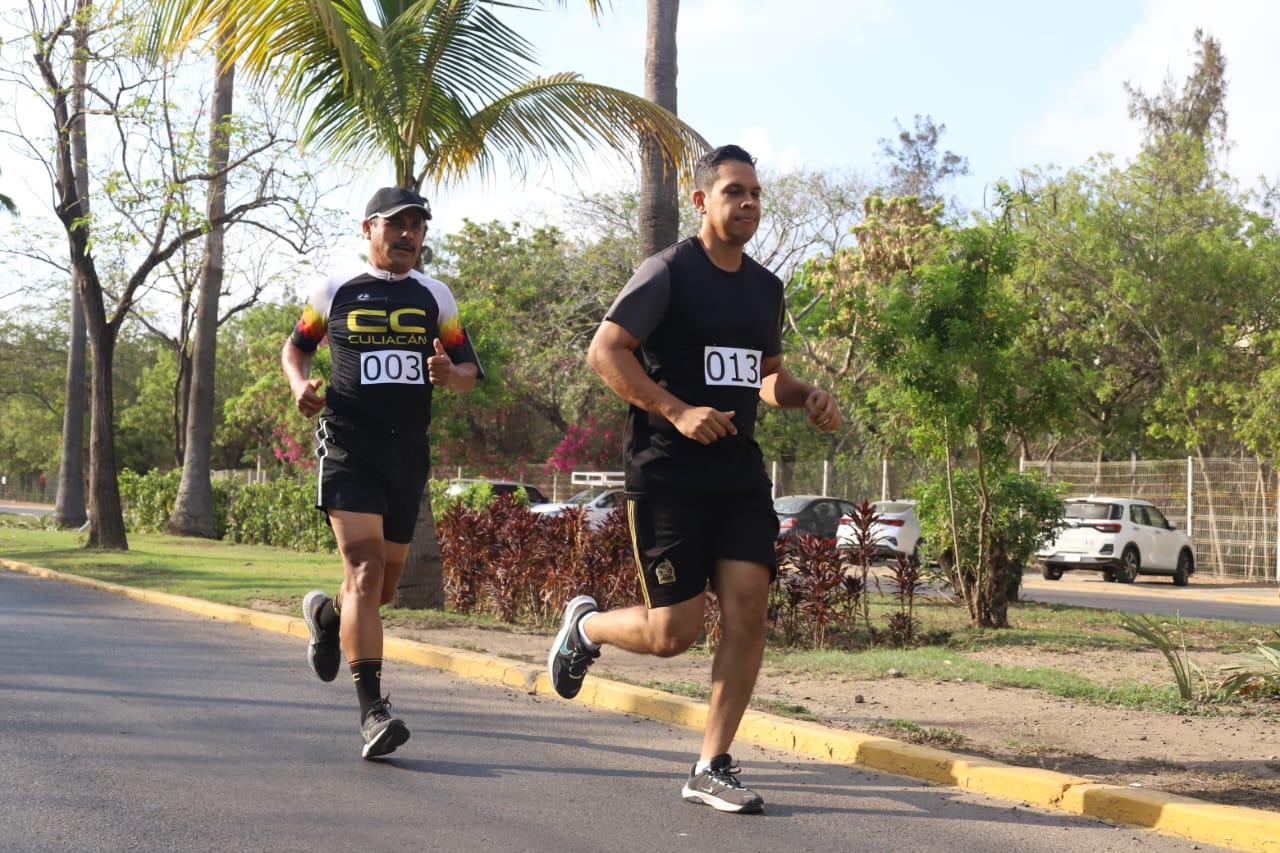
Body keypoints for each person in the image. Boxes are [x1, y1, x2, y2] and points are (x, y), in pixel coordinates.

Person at [548, 145, 842, 812]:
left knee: (748, 611)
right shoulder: (669, 272)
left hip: (737, 476)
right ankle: (587, 629)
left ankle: (712, 762)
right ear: (702, 198)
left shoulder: (765, 287)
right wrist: (675, 408)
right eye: (735, 191)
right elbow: (605, 350)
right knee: (671, 633)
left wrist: (806, 396)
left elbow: (764, 376)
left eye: (756, 194)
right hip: (667, 473)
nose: (748, 204)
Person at [282, 187, 482, 759]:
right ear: (369, 229)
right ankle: (373, 712)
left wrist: (451, 375)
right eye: (396, 225)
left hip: (406, 457)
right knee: (365, 570)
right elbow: (296, 349)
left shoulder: (435, 296)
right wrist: (301, 386)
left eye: (417, 226)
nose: (408, 235)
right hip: (347, 446)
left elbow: (469, 368)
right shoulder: (334, 290)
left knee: (380, 590)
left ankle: (326, 614)